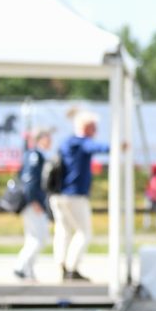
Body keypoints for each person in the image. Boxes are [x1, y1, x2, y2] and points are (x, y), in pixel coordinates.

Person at [51, 110, 110, 281]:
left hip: (59, 194)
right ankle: (72, 267)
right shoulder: (81, 143)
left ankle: (61, 263)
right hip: (74, 195)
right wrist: (119, 145)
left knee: (63, 231)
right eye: (94, 127)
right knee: (84, 232)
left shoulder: (65, 143)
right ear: (86, 127)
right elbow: (98, 147)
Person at [14, 129, 52, 281]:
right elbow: (29, 180)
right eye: (48, 137)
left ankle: (28, 270)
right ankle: (20, 266)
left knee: (33, 237)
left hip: (34, 202)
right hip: (34, 203)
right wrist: (33, 201)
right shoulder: (35, 155)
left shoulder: (35, 154)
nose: (50, 141)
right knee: (40, 238)